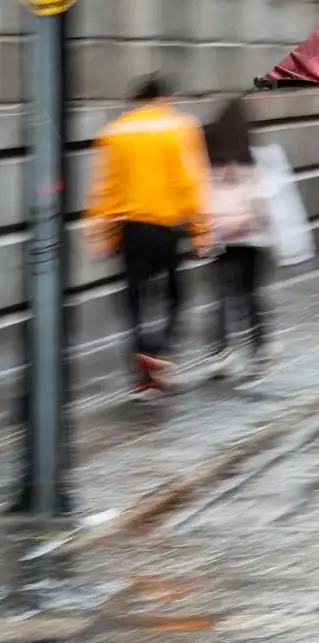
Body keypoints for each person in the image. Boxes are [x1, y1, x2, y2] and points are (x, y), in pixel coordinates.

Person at [85, 73, 211, 399]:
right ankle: (160, 350)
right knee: (175, 295)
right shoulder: (180, 127)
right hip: (166, 227)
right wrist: (201, 231)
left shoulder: (115, 131)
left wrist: (101, 232)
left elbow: (105, 187)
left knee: (134, 296)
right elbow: (190, 181)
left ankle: (143, 368)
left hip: (130, 228)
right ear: (164, 97)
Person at [203, 96, 276, 385]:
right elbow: (263, 197)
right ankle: (260, 344)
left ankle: (221, 352)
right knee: (251, 292)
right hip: (250, 235)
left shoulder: (210, 154)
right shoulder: (252, 156)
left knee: (221, 293)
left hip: (221, 234)